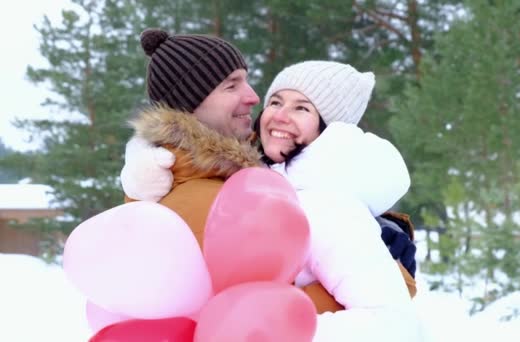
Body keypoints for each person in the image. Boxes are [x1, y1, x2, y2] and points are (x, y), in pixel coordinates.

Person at [122, 29, 421, 339]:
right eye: (232, 85)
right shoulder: (198, 187)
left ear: (332, 130)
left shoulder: (257, 179)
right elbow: (245, 317)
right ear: (193, 99)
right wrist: (396, 274)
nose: (255, 98)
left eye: (302, 108)